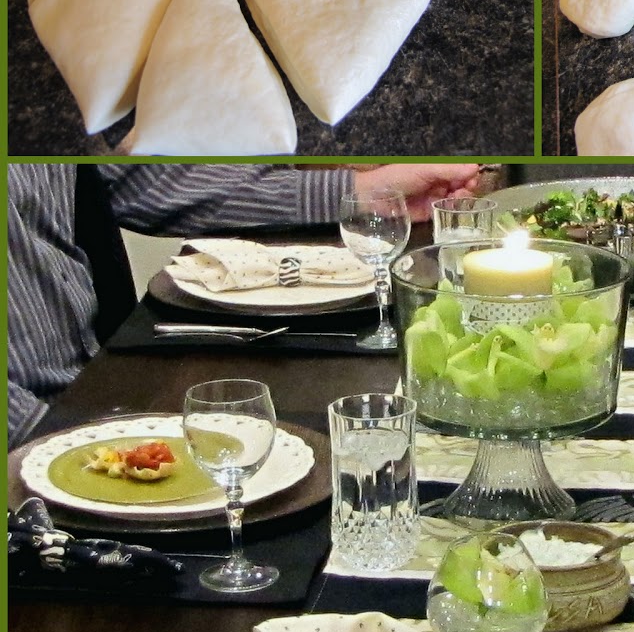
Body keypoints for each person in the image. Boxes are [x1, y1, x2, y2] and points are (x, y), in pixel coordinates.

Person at [7, 162, 480, 440]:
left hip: (96, 388)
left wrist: (359, 196)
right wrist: (49, 449)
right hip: (35, 434)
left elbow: (143, 181)